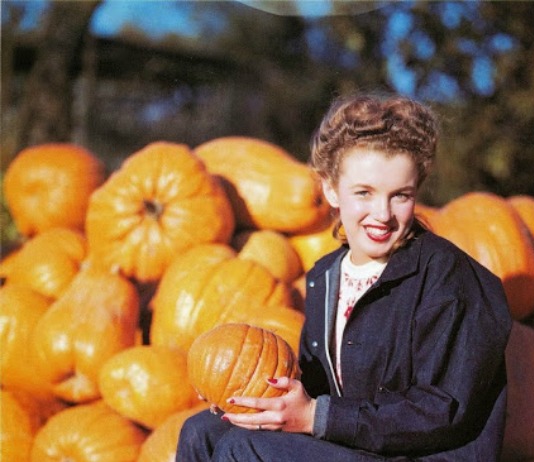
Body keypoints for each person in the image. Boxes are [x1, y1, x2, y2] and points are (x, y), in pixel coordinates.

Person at [176, 93, 513, 461]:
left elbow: (443, 410)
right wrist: (264, 398)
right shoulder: (325, 277)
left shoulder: (452, 279)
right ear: (331, 190)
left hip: (420, 456)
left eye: (400, 195)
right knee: (202, 432)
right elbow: (320, 388)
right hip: (357, 447)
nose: (382, 214)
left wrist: (319, 417)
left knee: (244, 449)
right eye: (364, 193)